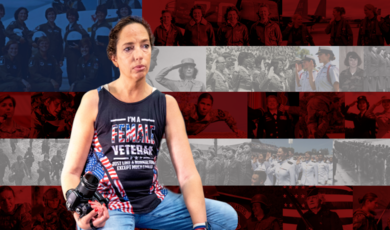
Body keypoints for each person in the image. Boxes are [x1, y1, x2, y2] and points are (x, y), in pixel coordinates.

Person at [61, 16, 238, 230]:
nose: (139, 55)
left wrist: (200, 226)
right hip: (108, 206)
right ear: (114, 57)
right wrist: (82, 213)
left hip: (154, 202)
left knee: (226, 218)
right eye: (128, 48)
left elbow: (188, 174)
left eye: (145, 46)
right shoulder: (94, 100)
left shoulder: (166, 103)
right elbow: (71, 172)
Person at [178, 93, 244, 137]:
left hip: (191, 136)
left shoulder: (212, 114)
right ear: (197, 103)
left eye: (208, 105)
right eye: (202, 103)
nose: (204, 108)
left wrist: (235, 129)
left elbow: (227, 116)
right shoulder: (189, 108)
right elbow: (171, 106)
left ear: (211, 106)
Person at [63, 8, 89, 86]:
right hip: (69, 54)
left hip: (76, 54)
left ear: (76, 17)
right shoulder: (68, 27)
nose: (71, 17)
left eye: (73, 15)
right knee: (70, 73)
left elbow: (86, 37)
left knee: (76, 75)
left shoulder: (78, 26)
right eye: (69, 15)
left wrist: (80, 46)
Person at [5, 7, 33, 77]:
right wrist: (18, 38)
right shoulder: (14, 24)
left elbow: (27, 37)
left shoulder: (24, 26)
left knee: (24, 68)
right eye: (21, 13)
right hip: (17, 50)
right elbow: (7, 31)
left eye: (25, 13)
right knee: (18, 69)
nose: (23, 15)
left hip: (25, 51)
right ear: (17, 14)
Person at [91, 5, 112, 85]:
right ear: (96, 14)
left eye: (102, 13)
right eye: (98, 12)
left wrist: (103, 44)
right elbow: (92, 40)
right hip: (95, 55)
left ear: (105, 14)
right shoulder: (94, 26)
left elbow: (112, 43)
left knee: (106, 76)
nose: (100, 14)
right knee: (96, 76)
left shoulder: (108, 27)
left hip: (105, 55)